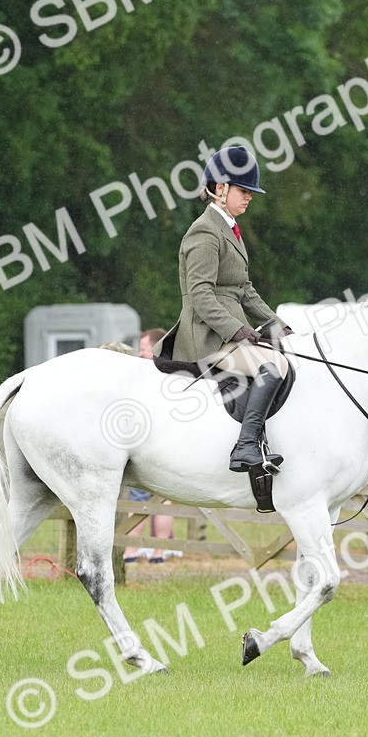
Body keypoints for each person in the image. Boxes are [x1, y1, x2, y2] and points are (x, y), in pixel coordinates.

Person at [153, 146, 293, 472]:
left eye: (250, 192)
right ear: (220, 189)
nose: (249, 198)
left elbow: (244, 290)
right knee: (272, 366)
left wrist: (277, 325)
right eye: (244, 191)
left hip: (227, 330)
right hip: (206, 335)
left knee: (286, 354)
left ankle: (258, 440)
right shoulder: (204, 230)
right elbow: (201, 295)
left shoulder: (230, 230)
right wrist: (238, 330)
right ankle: (245, 447)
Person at [112, 332, 179, 564]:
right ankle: (159, 552)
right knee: (163, 498)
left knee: (139, 498)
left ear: (155, 348)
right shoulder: (172, 372)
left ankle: (131, 551)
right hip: (167, 445)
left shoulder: (144, 374)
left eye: (143, 348)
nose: (140, 352)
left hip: (143, 444)